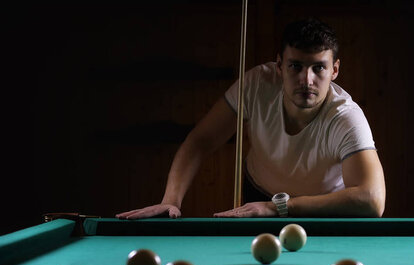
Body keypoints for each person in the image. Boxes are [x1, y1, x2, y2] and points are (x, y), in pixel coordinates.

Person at [116, 18, 386, 220]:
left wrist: (279, 207)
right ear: (279, 66)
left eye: (319, 68)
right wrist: (171, 200)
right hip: (259, 195)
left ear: (335, 69)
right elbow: (202, 140)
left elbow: (372, 199)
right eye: (296, 66)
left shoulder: (346, 117)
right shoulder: (257, 84)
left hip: (323, 206)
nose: (307, 80)